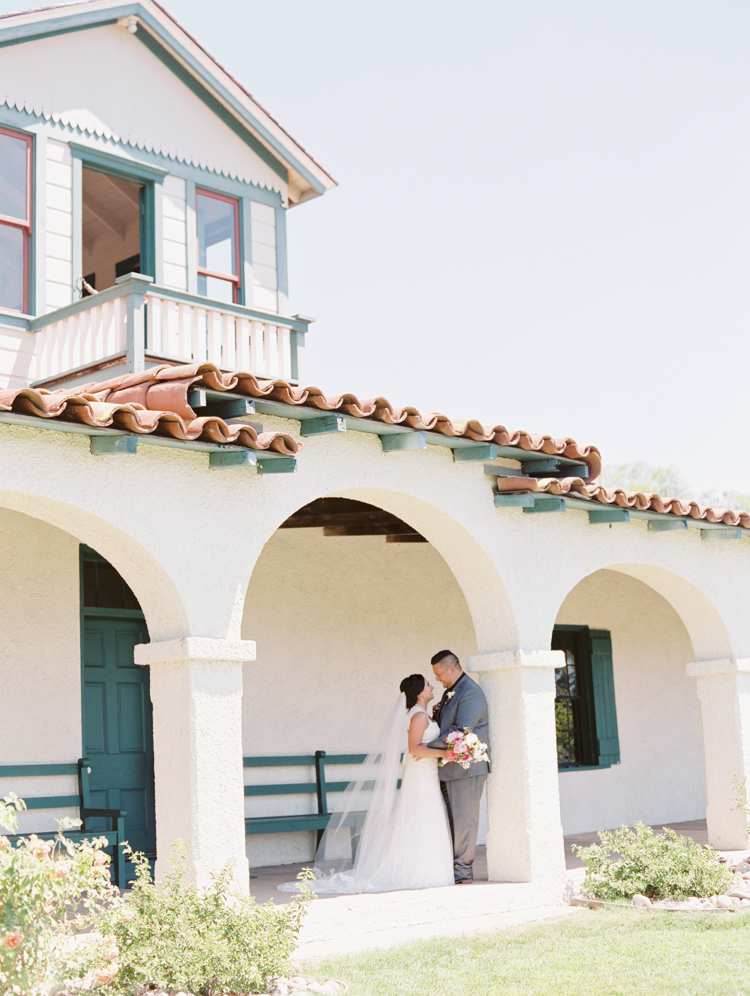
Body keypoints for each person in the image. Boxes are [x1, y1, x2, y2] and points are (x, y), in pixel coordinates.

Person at [278, 673, 453, 894]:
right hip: (420, 776)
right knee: (423, 815)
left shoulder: (423, 714)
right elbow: (415, 748)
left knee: (427, 816)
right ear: (418, 692)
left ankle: (427, 869)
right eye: (428, 684)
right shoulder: (418, 717)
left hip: (426, 773)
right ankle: (420, 871)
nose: (432, 686)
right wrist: (448, 754)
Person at [428, 649, 490, 884]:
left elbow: (460, 732)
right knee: (453, 821)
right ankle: (453, 867)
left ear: (451, 668)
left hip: (466, 769)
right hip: (449, 768)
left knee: (465, 821)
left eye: (439, 673)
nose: (437, 678)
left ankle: (463, 871)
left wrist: (423, 745)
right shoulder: (452, 691)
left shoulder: (470, 693)